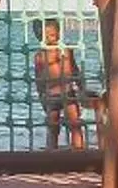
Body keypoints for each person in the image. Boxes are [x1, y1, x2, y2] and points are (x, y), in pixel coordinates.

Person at [32, 18, 92, 147]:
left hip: (68, 92)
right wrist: (41, 96)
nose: (49, 38)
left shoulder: (65, 50)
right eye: (46, 36)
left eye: (52, 35)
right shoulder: (39, 55)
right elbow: (38, 78)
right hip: (51, 96)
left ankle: (79, 151)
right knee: (53, 128)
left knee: (75, 125)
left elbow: (75, 70)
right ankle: (51, 153)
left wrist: (82, 87)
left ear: (59, 34)